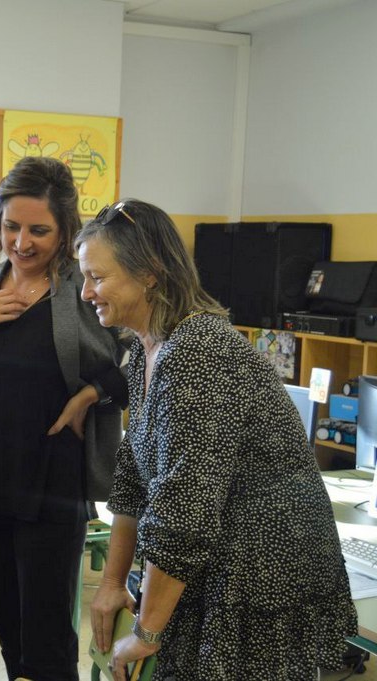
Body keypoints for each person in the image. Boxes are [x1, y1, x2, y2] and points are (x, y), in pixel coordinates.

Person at [79, 200, 356, 680]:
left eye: (96, 278)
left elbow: (184, 509)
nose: (86, 293)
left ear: (149, 273)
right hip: (213, 563)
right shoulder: (146, 348)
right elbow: (134, 476)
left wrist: (146, 633)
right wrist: (111, 581)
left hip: (259, 576)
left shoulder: (197, 352)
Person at [0, 156, 127, 680]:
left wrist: (91, 394)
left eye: (39, 231)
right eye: (11, 226)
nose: (21, 242)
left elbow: (139, 361)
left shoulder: (84, 289)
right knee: (11, 636)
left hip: (52, 487)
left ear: (65, 232)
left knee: (49, 645)